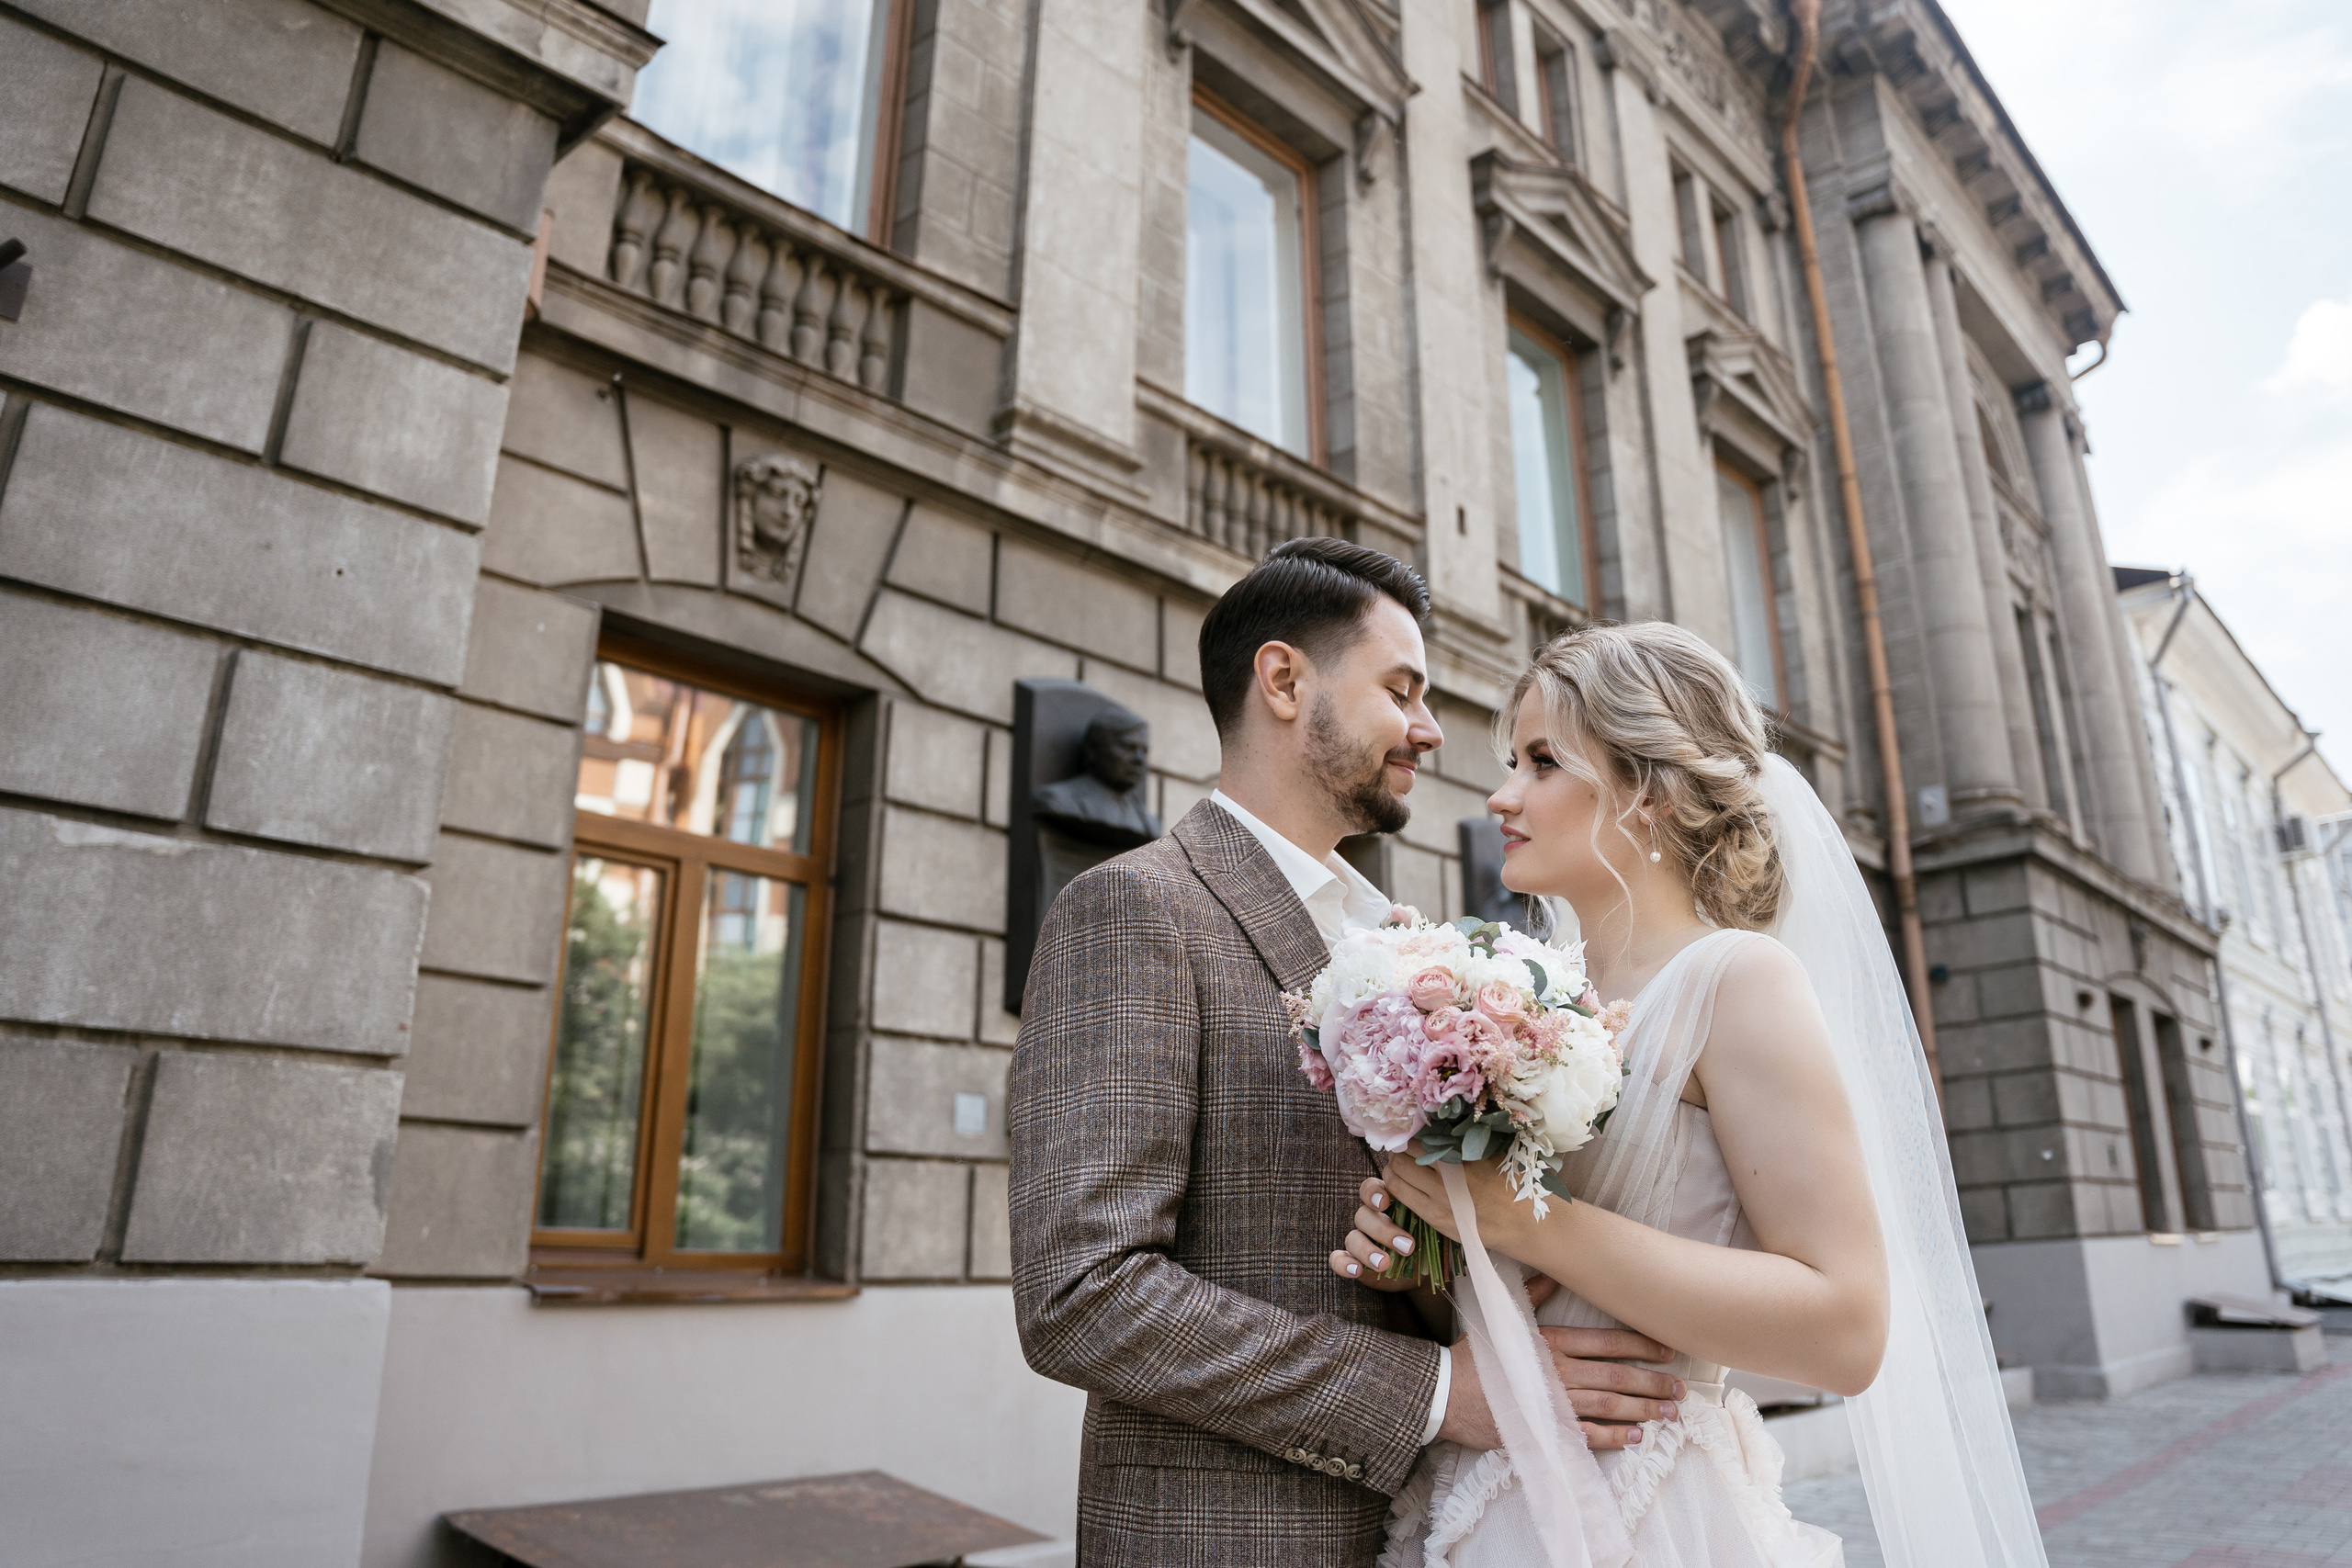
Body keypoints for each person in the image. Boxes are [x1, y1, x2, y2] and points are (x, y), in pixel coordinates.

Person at [1009, 541, 1687, 1568]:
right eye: (1402, 690)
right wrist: (1433, 1394)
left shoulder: (1401, 942)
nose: (1428, 730)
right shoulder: (1136, 908)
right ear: (1283, 680)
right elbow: (1079, 1293)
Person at [1336, 621, 2047, 1568]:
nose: (1503, 795)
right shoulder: (1510, 1000)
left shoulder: (1737, 983)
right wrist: (1422, 1258)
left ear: (1652, 794)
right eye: (1513, 761)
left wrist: (1528, 1226)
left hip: (1654, 1516)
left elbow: (1846, 1329)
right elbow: (1518, 1295)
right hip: (1484, 1499)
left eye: (1543, 762)